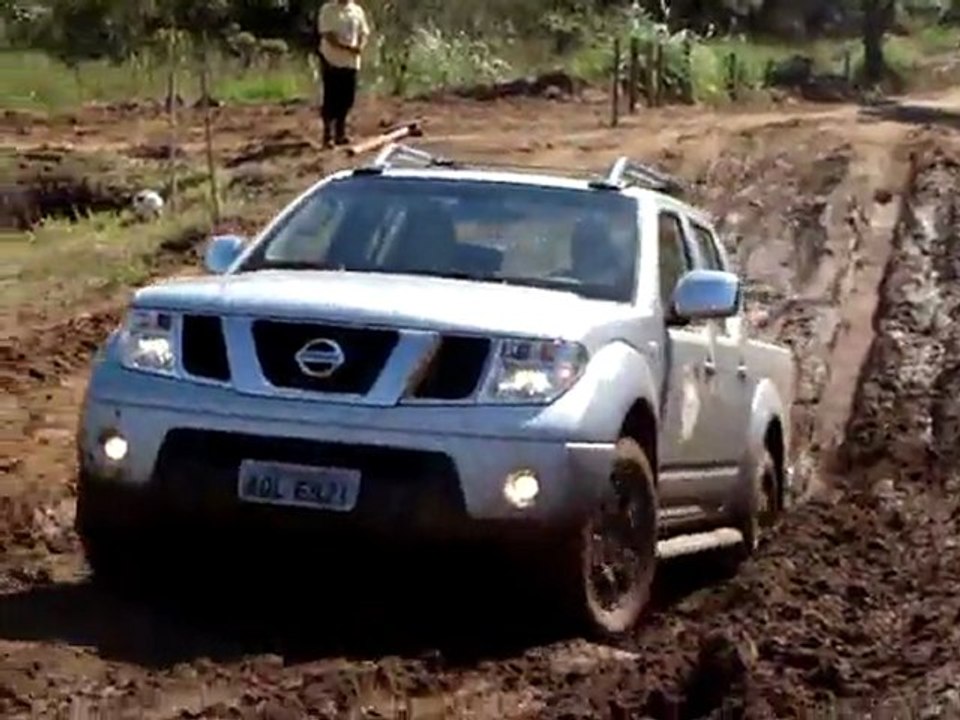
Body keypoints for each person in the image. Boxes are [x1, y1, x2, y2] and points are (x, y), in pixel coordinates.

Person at [317, 0, 370, 148]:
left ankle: (341, 132)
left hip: (351, 62)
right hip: (332, 60)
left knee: (347, 98)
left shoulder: (357, 10)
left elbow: (364, 32)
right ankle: (328, 135)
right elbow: (328, 35)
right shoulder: (328, 9)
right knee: (331, 97)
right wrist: (347, 48)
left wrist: (360, 46)